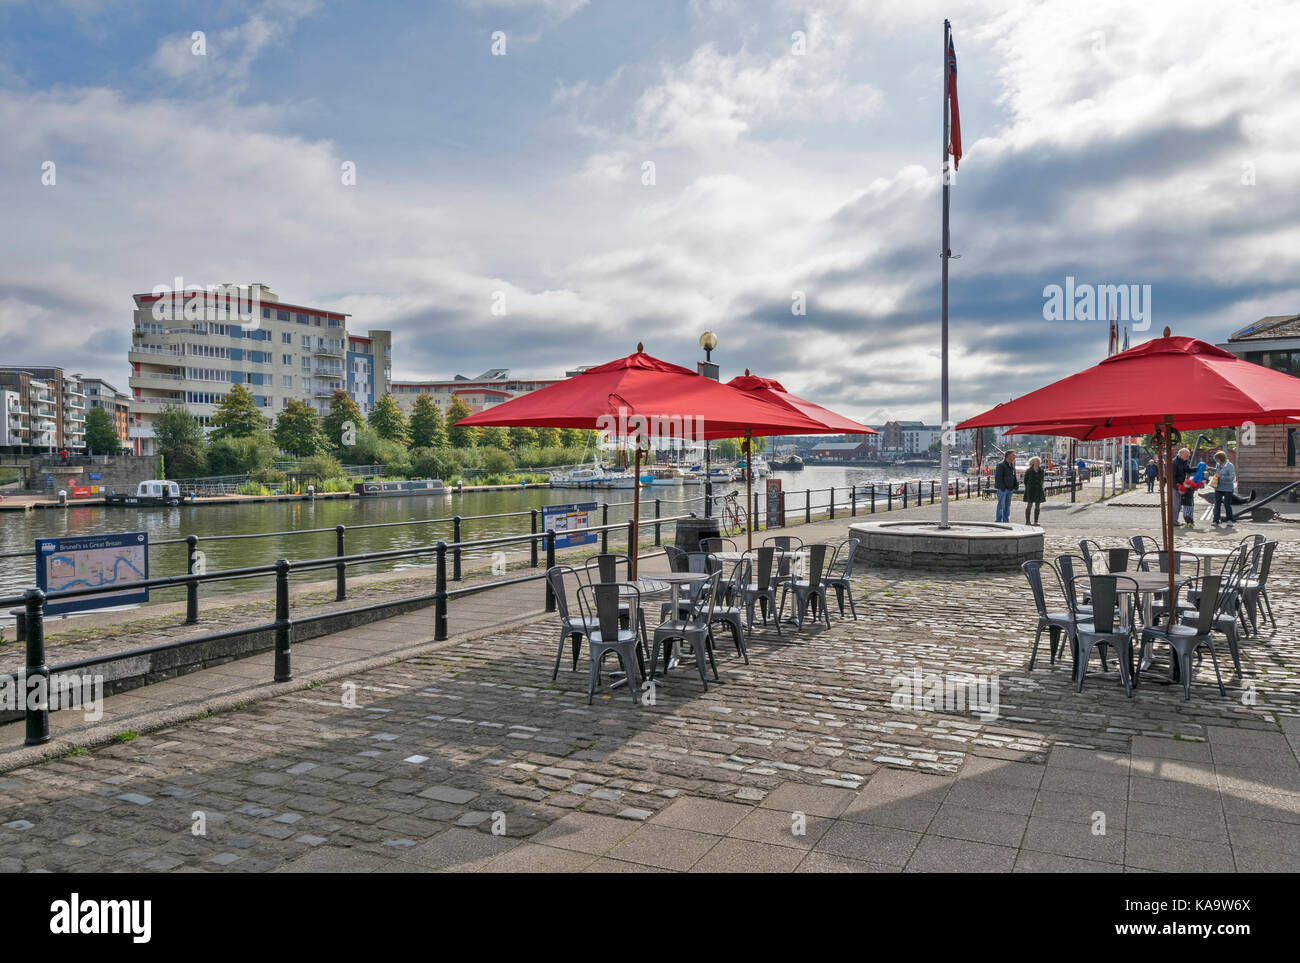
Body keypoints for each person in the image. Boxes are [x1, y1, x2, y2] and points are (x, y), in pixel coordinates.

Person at [1171, 447, 1195, 528]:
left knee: (1179, 504)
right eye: (1187, 456)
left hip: (1182, 485)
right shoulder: (1174, 463)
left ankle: (1175, 520)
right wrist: (1178, 488)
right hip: (1175, 486)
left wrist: (1199, 469)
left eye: (1189, 456)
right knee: (1176, 505)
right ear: (1181, 455)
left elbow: (1188, 470)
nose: (1188, 457)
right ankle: (1173, 521)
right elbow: (1172, 478)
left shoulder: (1184, 461)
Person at [1211, 450, 1236, 526]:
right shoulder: (1218, 465)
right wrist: (1210, 468)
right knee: (1217, 504)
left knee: (1227, 504)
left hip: (1228, 488)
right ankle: (1216, 520)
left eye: (1217, 459)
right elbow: (1217, 471)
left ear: (1221, 458)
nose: (1216, 461)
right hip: (1218, 488)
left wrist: (1221, 476)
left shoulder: (1230, 466)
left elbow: (1232, 478)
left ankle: (1230, 520)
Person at [994, 449, 1018, 523]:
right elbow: (998, 477)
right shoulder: (1001, 465)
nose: (1015, 457)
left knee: (1007, 506)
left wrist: (1015, 485)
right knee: (1001, 506)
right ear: (1008, 456)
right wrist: (1003, 487)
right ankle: (998, 521)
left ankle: (1006, 521)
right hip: (1003, 489)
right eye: (1013, 455)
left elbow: (1013, 476)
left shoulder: (1011, 465)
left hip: (1010, 489)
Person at [1023, 455, 1045, 525]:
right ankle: (1027, 521)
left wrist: (1040, 486)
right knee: (1029, 505)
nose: (1038, 462)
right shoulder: (1029, 471)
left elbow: (1042, 480)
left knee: (1037, 506)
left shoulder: (1041, 470)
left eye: (1039, 461)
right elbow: (1025, 480)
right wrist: (1029, 487)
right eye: (1036, 461)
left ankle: (1036, 521)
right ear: (1033, 462)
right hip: (1030, 490)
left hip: (1039, 490)